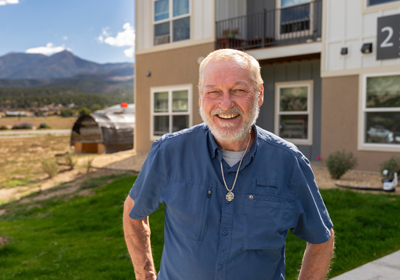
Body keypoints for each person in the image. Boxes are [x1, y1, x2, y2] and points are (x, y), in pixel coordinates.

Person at [123, 49, 334, 280]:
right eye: (213, 92)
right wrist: (146, 276)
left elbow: (322, 238)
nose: (225, 104)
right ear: (200, 95)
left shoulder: (288, 163)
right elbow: (133, 213)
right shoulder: (169, 153)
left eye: (239, 90)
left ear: (259, 93)